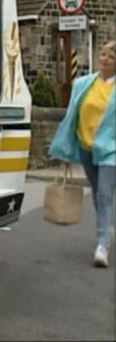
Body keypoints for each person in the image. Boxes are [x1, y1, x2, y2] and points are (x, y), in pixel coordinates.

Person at [49, 40, 116, 267]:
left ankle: (102, 245)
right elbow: (72, 117)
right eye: (103, 54)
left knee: (105, 194)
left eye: (110, 56)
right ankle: (107, 227)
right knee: (97, 192)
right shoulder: (84, 84)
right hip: (86, 146)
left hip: (111, 151)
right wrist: (67, 146)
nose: (104, 59)